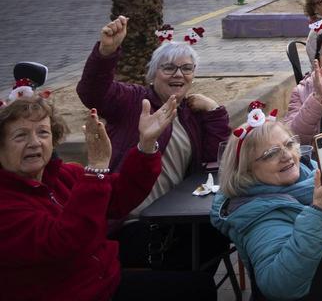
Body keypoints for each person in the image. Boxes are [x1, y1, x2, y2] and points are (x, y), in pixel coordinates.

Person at [0, 80, 202, 301]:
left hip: (105, 281)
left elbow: (119, 198)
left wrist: (145, 144)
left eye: (43, 133)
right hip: (73, 293)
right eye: (20, 136)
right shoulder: (6, 204)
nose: (35, 143)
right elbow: (65, 242)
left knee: (199, 276)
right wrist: (96, 167)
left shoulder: (64, 175)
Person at [77, 17, 231, 267]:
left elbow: (216, 160)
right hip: (134, 221)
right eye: (168, 68)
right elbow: (92, 92)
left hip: (177, 217)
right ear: (152, 74)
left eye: (187, 68)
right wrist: (106, 52)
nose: (178, 74)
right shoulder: (134, 101)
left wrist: (214, 111)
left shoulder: (189, 112)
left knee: (217, 236)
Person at [211, 113, 322, 301]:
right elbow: (280, 286)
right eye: (271, 153)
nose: (286, 156)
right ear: (246, 170)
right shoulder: (257, 213)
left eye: (289, 144)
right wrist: (320, 210)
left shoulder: (307, 171)